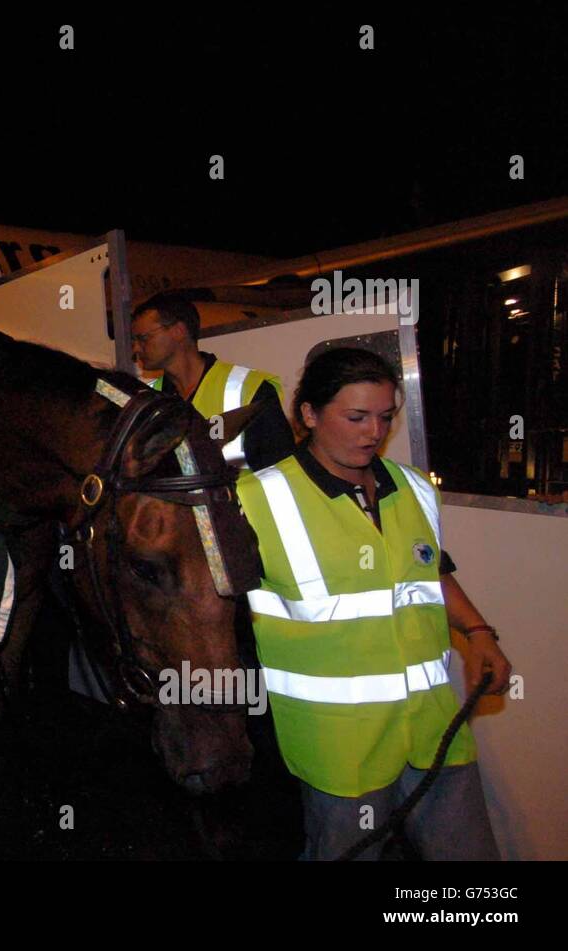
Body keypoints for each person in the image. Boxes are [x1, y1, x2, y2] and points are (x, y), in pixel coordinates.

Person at [235, 347, 513, 860]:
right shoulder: (255, 500)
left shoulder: (410, 486)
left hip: (435, 730)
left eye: (385, 418)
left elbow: (430, 570)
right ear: (310, 415)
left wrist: (478, 634)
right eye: (356, 417)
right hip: (342, 750)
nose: (373, 432)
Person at [133, 292, 294, 470]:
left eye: (144, 338)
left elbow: (282, 469)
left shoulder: (249, 389)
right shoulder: (146, 401)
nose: (136, 348)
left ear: (178, 332)